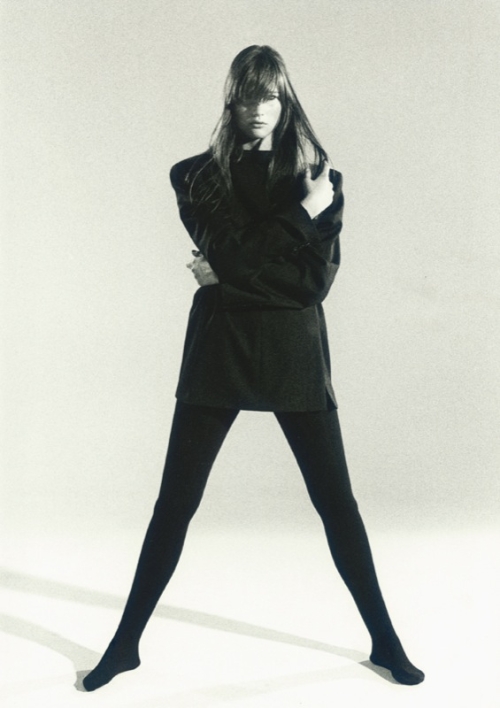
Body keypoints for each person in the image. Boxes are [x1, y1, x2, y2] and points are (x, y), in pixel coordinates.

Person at [83, 45, 424, 691]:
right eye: (247, 96)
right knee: (174, 505)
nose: (258, 108)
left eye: (269, 95)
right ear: (230, 101)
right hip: (219, 351)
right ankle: (124, 645)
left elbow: (310, 286)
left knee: (337, 505)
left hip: (293, 352)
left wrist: (227, 277)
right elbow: (242, 259)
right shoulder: (196, 176)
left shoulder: (320, 177)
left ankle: (385, 641)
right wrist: (298, 220)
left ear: (285, 100)